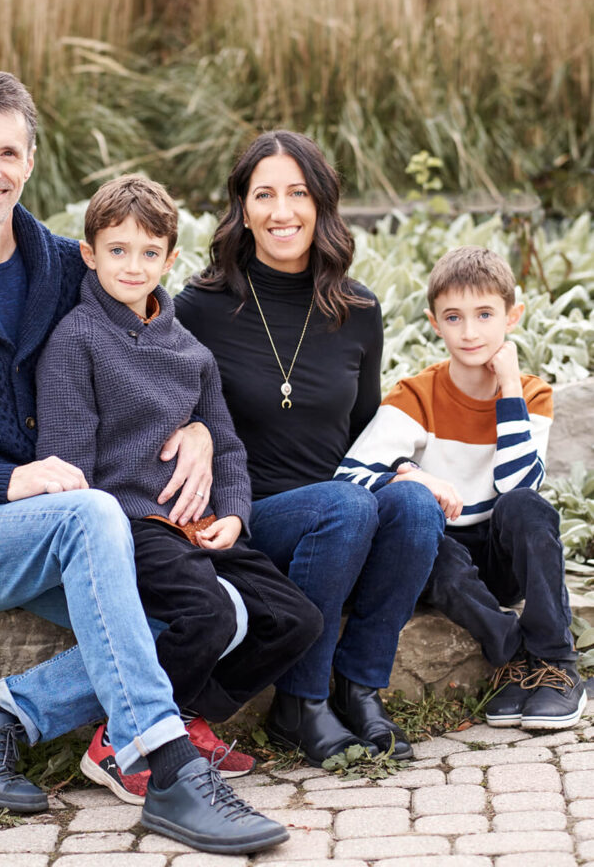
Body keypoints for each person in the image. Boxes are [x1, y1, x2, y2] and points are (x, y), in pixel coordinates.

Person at [0, 70, 289, 855]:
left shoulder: (58, 264)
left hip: (61, 524)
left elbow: (154, 343)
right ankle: (167, 768)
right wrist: (6, 480)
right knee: (91, 513)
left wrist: (202, 430)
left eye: (7, 151)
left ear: (31, 160)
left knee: (226, 612)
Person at [35, 174, 323, 801]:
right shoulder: (77, 340)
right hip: (130, 523)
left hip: (199, 526)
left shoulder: (191, 351)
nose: (132, 266)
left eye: (148, 253)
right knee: (210, 613)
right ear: (89, 254)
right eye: (117, 250)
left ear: (169, 259)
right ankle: (123, 740)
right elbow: (70, 471)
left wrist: (237, 517)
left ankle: (182, 718)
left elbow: (226, 445)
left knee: (297, 618)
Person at [174, 130, 443, 766]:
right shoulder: (200, 307)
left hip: (339, 504)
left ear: (321, 203)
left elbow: (364, 427)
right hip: (247, 516)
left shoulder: (358, 310)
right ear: (242, 207)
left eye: (297, 193)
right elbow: (166, 410)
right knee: (345, 508)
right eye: (263, 194)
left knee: (415, 506)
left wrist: (404, 470)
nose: (282, 211)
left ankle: (359, 689)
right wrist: (191, 429)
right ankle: (301, 702)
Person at [338, 245, 585, 729]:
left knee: (525, 506)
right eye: (454, 317)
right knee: (429, 548)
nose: (469, 332)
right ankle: (514, 656)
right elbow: (349, 477)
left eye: (485, 314)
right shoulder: (416, 394)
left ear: (512, 317)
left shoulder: (531, 393)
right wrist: (412, 474)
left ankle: (557, 664)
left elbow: (518, 483)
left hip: (504, 550)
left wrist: (509, 388)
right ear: (434, 322)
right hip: (447, 563)